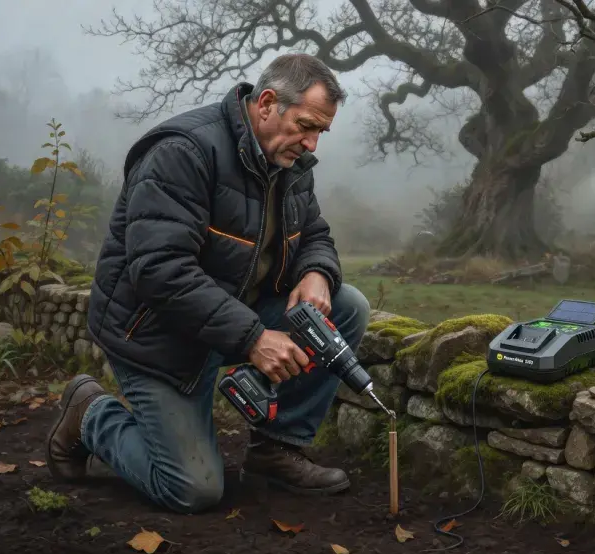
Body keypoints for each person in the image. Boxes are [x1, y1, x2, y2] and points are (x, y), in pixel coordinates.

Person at [43, 53, 371, 514]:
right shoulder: (183, 152)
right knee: (193, 489)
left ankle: (275, 449)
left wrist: (316, 271)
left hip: (228, 319)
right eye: (306, 125)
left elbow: (314, 232)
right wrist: (254, 337)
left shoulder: (288, 163)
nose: (313, 143)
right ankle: (90, 414)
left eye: (321, 131)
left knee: (347, 304)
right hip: (157, 335)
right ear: (267, 103)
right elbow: (159, 270)